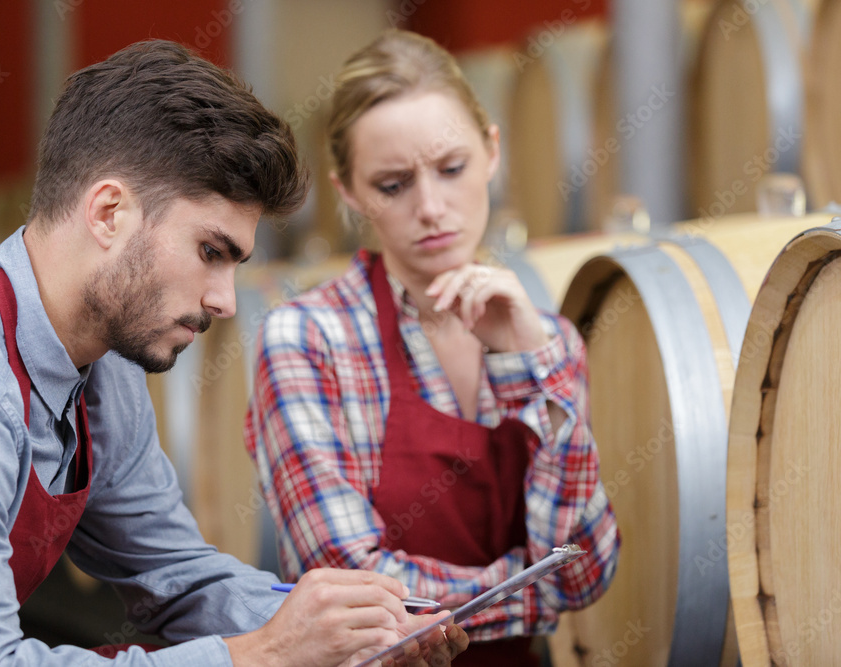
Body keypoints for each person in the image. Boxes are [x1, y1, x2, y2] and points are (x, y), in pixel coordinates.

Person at [0, 40, 468, 666]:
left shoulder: (103, 364)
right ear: (109, 213)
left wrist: (356, 627)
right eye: (210, 252)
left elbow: (175, 575)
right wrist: (263, 654)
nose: (226, 301)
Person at [244, 30, 619, 666]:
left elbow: (587, 569)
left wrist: (535, 366)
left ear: (492, 151)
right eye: (393, 185)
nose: (431, 207)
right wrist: (536, 587)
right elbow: (353, 590)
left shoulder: (550, 341)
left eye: (451, 169)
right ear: (349, 193)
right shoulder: (306, 339)